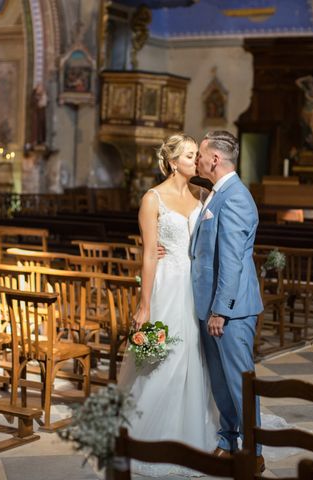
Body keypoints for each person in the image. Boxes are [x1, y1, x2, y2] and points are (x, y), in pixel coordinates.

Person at [117, 133, 218, 477]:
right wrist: (144, 305)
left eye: (196, 155)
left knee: (196, 355)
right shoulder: (152, 198)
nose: (197, 161)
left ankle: (194, 430)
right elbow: (148, 254)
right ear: (173, 162)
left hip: (197, 287)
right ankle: (149, 436)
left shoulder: (204, 195)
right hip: (168, 286)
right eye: (190, 156)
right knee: (166, 356)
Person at [190, 130, 265, 473]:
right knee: (221, 382)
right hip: (214, 307)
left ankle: (254, 452)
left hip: (231, 310)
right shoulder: (217, 193)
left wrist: (220, 309)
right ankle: (227, 440)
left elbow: (232, 260)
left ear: (215, 159)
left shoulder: (234, 196)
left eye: (201, 154)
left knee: (239, 382)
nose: (198, 160)